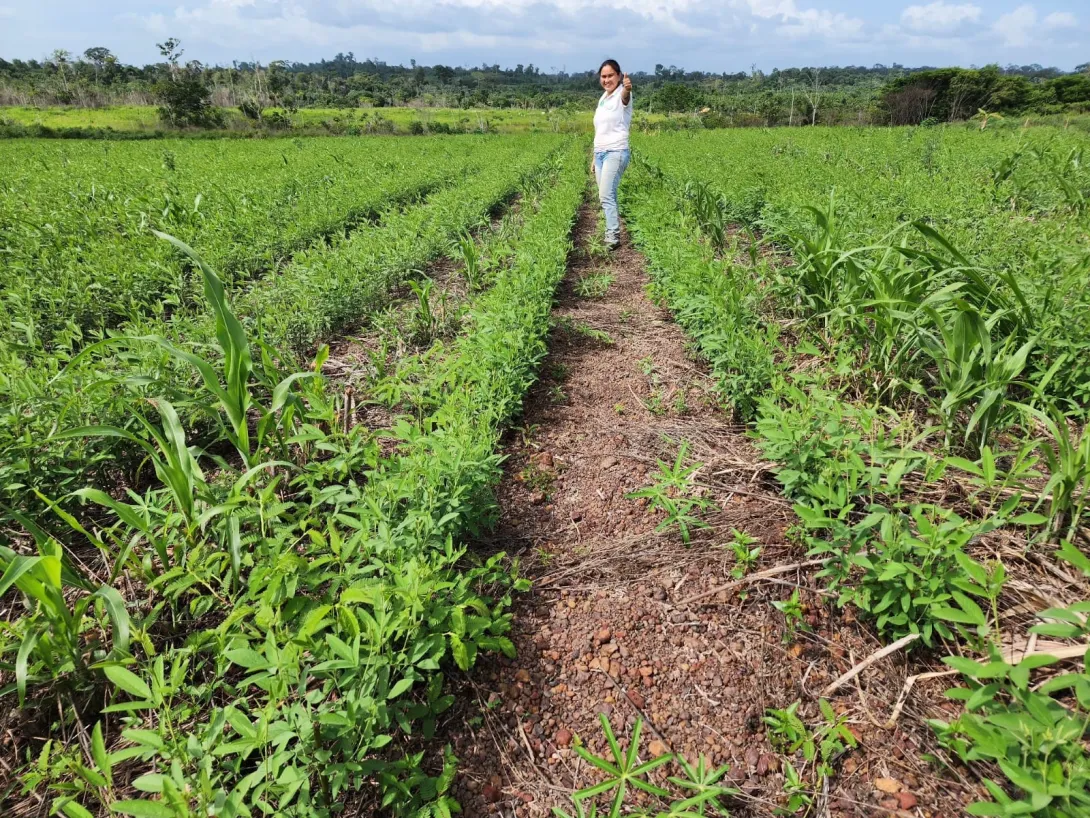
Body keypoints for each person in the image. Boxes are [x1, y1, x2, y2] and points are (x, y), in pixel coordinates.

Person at [592, 59, 633, 249]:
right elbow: (600, 130)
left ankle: (612, 237)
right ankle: (612, 231)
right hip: (601, 154)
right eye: (603, 76)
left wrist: (627, 88)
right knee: (608, 195)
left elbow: (625, 97)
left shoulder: (621, 95)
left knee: (605, 195)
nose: (606, 79)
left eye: (610, 76)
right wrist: (594, 157)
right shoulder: (603, 98)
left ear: (619, 76)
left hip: (616, 152)